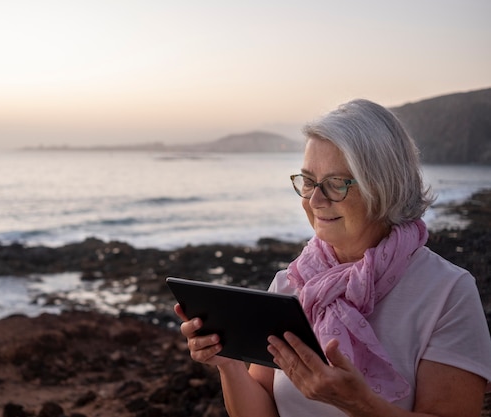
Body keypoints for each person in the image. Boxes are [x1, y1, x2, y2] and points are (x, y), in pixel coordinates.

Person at [175, 99, 491, 416]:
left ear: (385, 187)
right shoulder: (290, 285)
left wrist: (359, 404)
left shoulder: (447, 293)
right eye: (309, 181)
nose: (315, 199)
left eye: (336, 183)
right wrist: (228, 363)